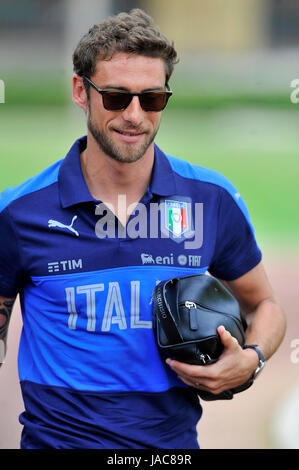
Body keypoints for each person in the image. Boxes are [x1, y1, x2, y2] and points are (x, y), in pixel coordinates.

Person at [0, 8, 286, 450]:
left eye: (152, 99)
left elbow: (264, 303)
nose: (135, 115)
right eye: (116, 97)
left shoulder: (211, 199)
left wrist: (253, 359)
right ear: (81, 91)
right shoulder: (20, 212)